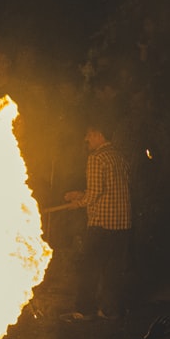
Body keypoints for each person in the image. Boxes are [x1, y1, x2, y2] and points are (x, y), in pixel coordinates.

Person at [59, 120, 132, 319]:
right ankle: (109, 310)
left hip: (101, 225)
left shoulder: (96, 158)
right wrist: (80, 194)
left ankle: (84, 310)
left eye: (89, 135)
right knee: (113, 271)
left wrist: (79, 203)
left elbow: (94, 194)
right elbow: (109, 189)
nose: (86, 139)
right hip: (122, 224)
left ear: (99, 135)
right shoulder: (119, 156)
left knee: (89, 269)